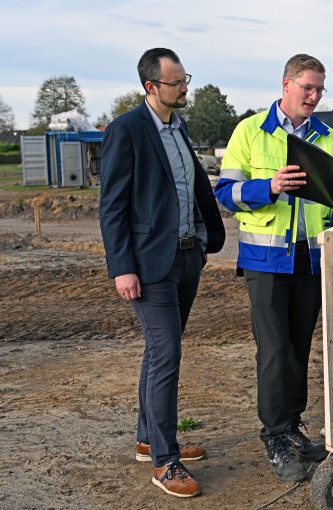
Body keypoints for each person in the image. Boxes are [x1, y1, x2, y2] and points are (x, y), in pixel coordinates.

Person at [99, 47, 225, 498]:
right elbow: (111, 206)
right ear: (151, 86)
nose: (185, 87)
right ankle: (165, 462)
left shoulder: (179, 126)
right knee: (166, 354)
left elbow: (190, 186)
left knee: (159, 353)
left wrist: (210, 237)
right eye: (176, 82)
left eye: (185, 78)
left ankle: (148, 438)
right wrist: (122, 268)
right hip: (149, 265)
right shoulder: (126, 130)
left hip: (187, 255)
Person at [214, 54, 333, 483]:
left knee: (299, 348)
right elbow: (225, 193)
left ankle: (292, 427)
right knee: (273, 351)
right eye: (307, 87)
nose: (314, 96)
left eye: (319, 89)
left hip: (312, 259)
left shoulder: (328, 138)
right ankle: (274, 437)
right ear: (286, 84)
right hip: (266, 260)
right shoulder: (250, 132)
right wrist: (267, 187)